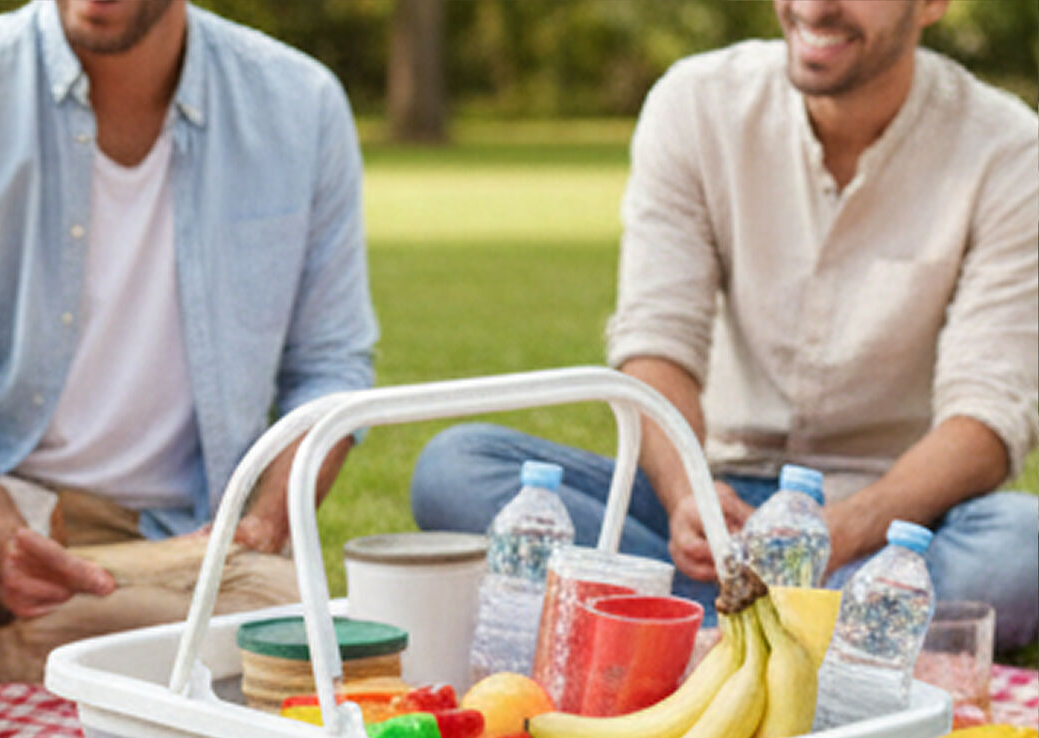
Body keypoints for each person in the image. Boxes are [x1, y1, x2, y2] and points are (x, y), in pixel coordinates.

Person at [411, 0, 1038, 651]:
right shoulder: (696, 104)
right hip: (719, 502)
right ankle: (833, 631)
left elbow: (987, 416)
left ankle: (673, 621)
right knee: (456, 466)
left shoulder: (1008, 151)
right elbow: (657, 339)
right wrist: (689, 493)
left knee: (1022, 547)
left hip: (890, 518)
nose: (814, 6)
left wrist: (844, 531)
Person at [0, 0, 378, 681]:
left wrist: (263, 524)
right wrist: (5, 539)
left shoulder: (300, 105)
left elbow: (332, 367)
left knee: (286, 615)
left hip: (174, 542)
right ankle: (71, 663)